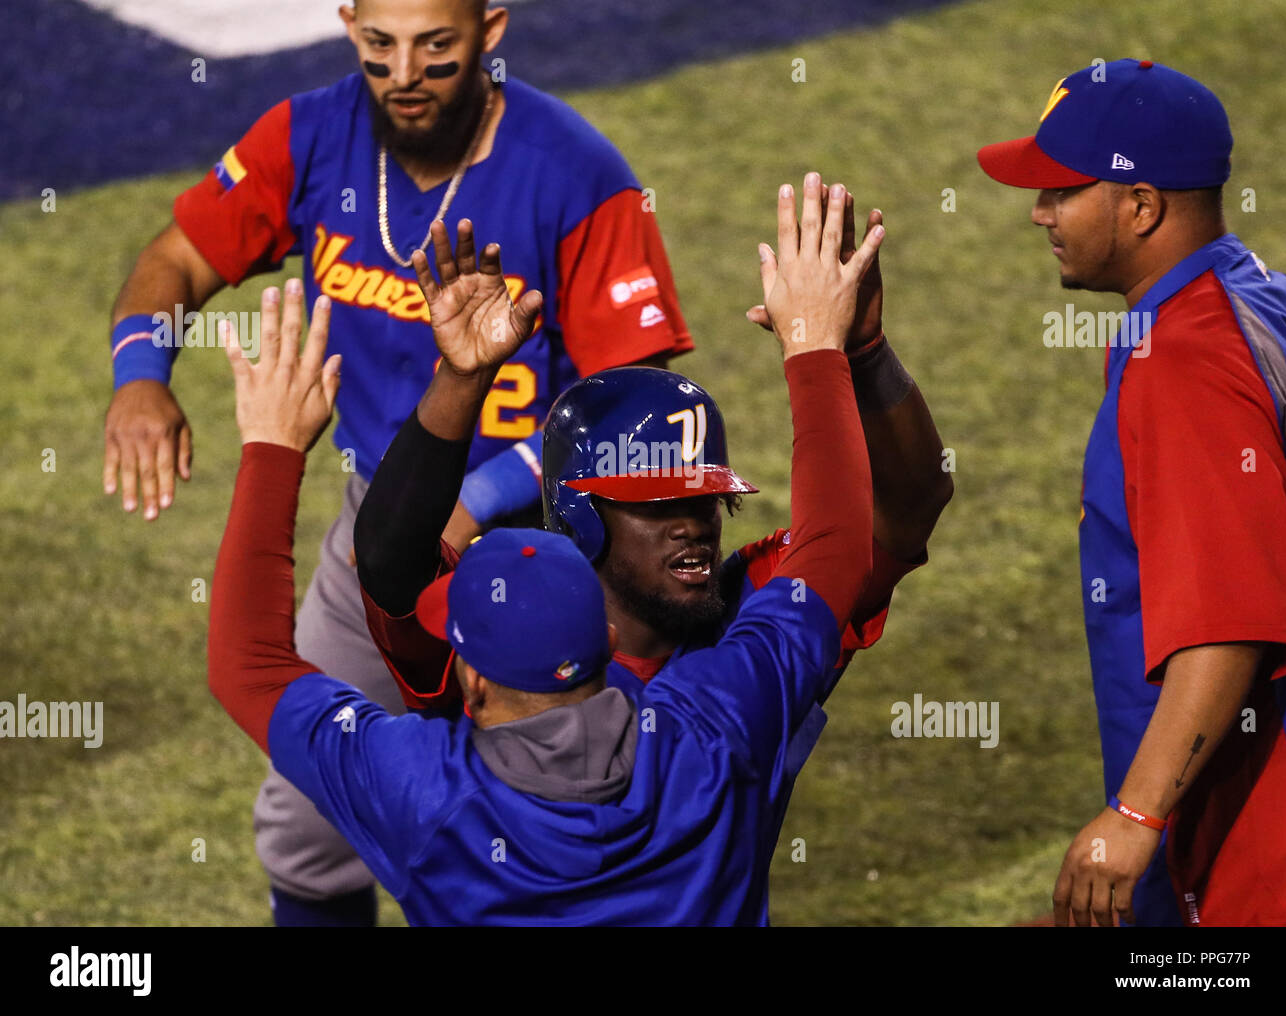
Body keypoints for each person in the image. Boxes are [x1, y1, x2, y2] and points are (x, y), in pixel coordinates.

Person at [105, 0, 691, 925]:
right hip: (383, 530)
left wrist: (482, 497)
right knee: (307, 820)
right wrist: (140, 378)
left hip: (558, 544)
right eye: (380, 45)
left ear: (490, 31)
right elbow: (177, 257)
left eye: (436, 47)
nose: (404, 73)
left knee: (569, 816)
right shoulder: (306, 136)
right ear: (348, 25)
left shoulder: (577, 175)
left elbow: (636, 405)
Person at [208, 188, 880, 924]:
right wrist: (817, 345)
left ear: (471, 681)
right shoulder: (717, 723)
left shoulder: (420, 791)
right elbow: (839, 545)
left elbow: (248, 663)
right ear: (610, 642)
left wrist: (273, 449)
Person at [352, 172, 953, 902]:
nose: (692, 525)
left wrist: (862, 352)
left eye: (702, 500)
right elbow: (388, 560)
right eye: (656, 504)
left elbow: (909, 505)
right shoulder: (505, 631)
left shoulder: (748, 606)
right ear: (578, 516)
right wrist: (459, 379)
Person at [978, 58, 1286, 927]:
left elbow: (1233, 619)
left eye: (1062, 191)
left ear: (1142, 206)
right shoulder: (1266, 301)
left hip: (1266, 840)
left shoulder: (1188, 356)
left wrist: (1134, 816)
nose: (1040, 212)